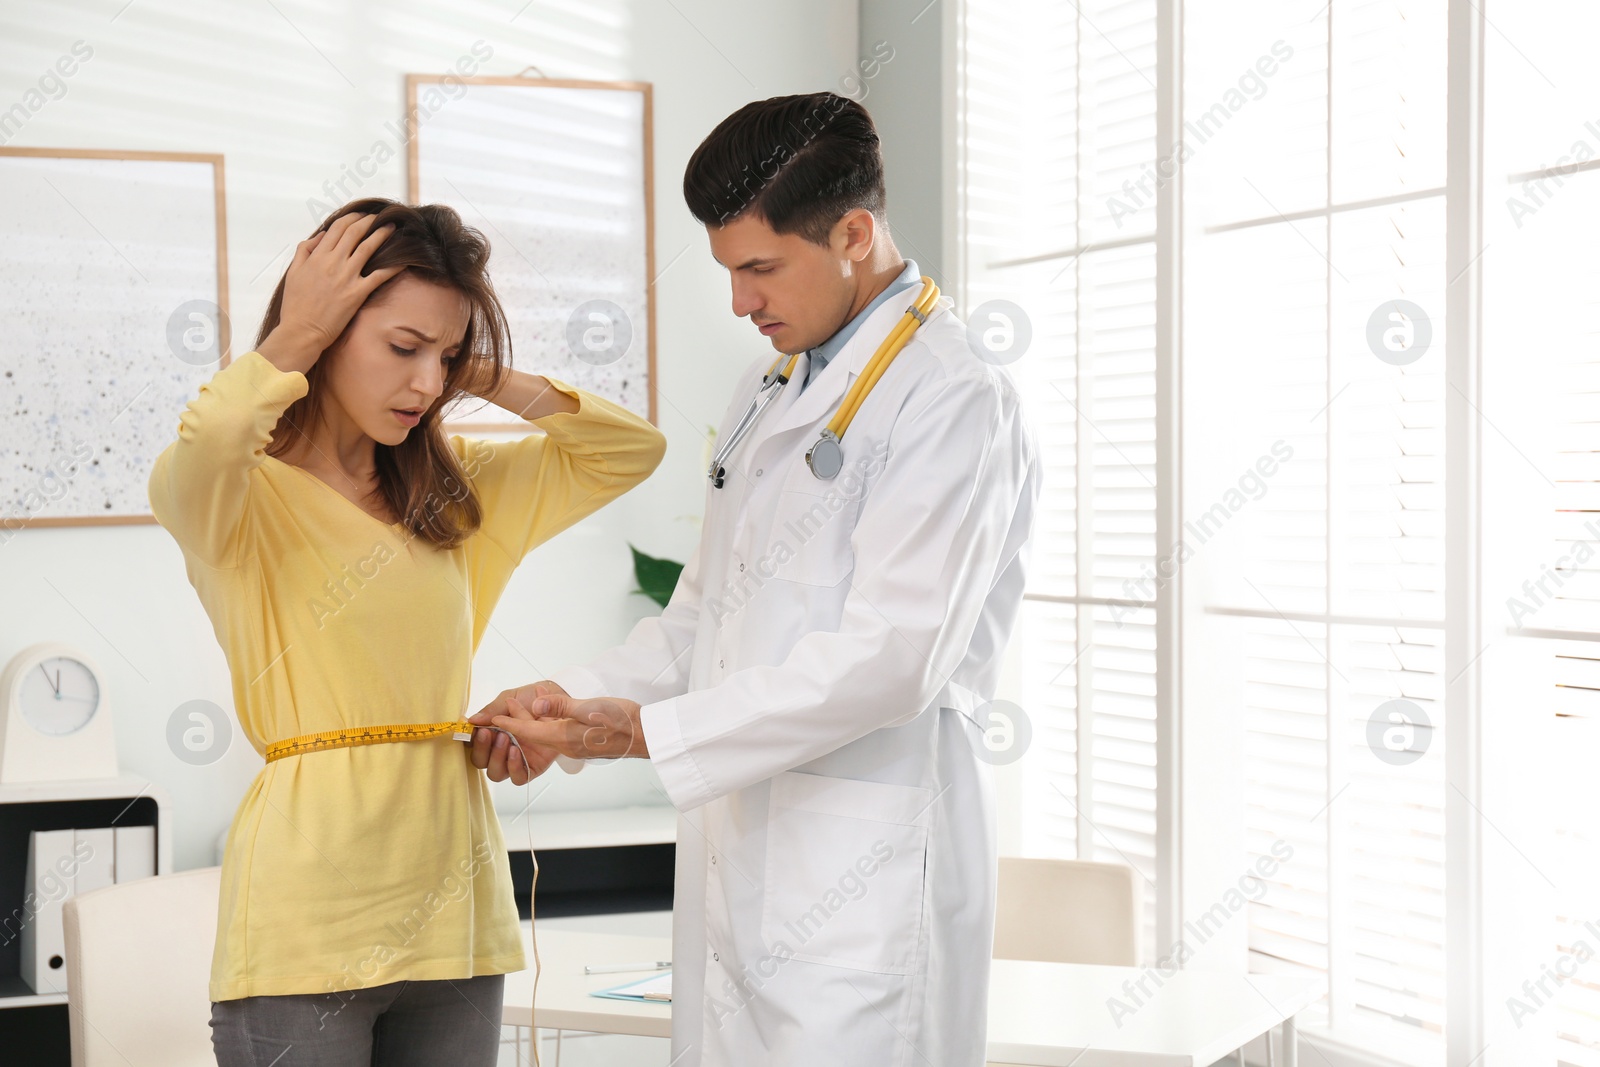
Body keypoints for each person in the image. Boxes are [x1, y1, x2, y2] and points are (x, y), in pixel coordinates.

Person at [470, 93, 1040, 1066]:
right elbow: (705, 616)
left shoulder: (952, 398)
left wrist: (643, 730)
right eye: (729, 270)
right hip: (745, 865)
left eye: (759, 268)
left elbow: (894, 658)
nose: (740, 301)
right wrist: (586, 701)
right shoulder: (770, 386)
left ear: (854, 232)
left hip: (864, 882)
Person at [148, 198, 665, 1064]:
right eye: (401, 348)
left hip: (455, 911)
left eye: (446, 354)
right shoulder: (235, 499)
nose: (427, 383)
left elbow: (627, 450)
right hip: (304, 921)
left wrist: (488, 376)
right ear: (325, 332)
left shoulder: (457, 494)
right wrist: (291, 338)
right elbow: (205, 442)